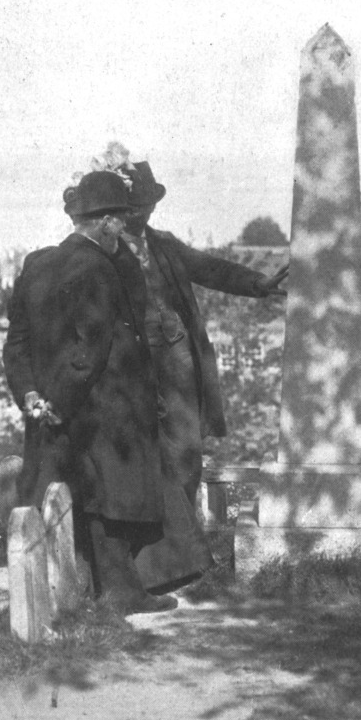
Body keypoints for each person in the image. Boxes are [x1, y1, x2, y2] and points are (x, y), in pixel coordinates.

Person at [2, 170, 177, 614]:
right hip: (92, 402)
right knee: (107, 494)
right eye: (120, 219)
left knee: (64, 492)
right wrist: (59, 403)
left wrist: (31, 397)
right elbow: (90, 348)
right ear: (107, 223)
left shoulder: (37, 264)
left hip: (46, 406)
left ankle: (75, 591)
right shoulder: (100, 268)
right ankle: (121, 592)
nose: (123, 227)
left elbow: (16, 342)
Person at [91, 147, 287, 518]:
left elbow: (211, 269)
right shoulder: (103, 252)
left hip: (178, 358)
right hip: (133, 365)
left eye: (146, 205)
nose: (140, 213)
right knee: (137, 450)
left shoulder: (164, 245)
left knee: (185, 447)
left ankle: (185, 536)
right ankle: (154, 538)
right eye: (132, 206)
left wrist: (258, 283)